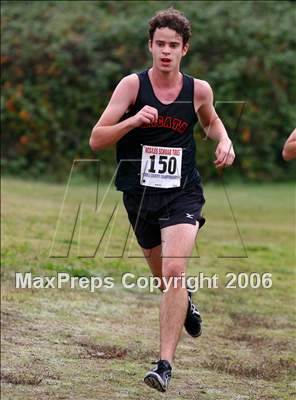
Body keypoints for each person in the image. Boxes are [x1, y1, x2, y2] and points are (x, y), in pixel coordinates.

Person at [90, 7, 235, 392]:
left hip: (182, 193)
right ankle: (185, 300)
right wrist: (133, 121)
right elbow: (97, 138)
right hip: (139, 195)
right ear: (150, 47)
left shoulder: (198, 90)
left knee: (173, 271)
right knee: (165, 281)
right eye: (160, 44)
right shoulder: (132, 87)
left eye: (173, 45)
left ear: (184, 49)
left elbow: (212, 121)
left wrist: (224, 140)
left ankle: (164, 365)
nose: (166, 51)